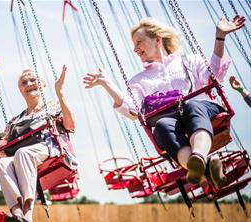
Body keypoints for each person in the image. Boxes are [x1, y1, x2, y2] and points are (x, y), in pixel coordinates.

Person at [84, 16, 245, 189]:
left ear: (157, 40)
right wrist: (107, 84)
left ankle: (198, 156)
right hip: (173, 123)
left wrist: (219, 37)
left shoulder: (189, 61)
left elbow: (214, 74)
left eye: (139, 42)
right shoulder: (139, 81)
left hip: (202, 111)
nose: (135, 49)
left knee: (191, 105)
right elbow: (133, 110)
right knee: (161, 125)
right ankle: (202, 167)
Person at [0, 65, 76, 222]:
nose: (28, 84)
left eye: (32, 80)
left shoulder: (53, 107)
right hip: (24, 158)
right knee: (2, 162)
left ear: (42, 85)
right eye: (24, 82)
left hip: (49, 149)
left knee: (23, 153)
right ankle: (17, 212)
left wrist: (60, 93)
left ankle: (28, 214)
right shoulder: (15, 121)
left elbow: (70, 125)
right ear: (21, 90)